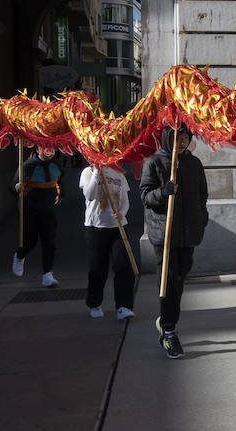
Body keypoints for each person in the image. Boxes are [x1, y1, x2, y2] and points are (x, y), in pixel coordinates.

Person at [141, 125, 208, 359]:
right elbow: (146, 197)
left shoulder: (194, 163)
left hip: (188, 233)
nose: (181, 141)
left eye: (185, 137)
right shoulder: (154, 162)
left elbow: (202, 194)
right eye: (177, 137)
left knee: (179, 280)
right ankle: (169, 330)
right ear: (167, 138)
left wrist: (201, 219)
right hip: (165, 234)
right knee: (168, 282)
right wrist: (163, 192)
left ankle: (166, 318)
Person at [80, 160, 136, 321]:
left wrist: (122, 213)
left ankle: (124, 306)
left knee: (124, 265)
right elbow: (89, 195)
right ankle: (94, 303)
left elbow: (125, 201)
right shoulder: (87, 173)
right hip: (95, 227)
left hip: (118, 227)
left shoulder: (119, 173)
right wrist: (97, 172)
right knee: (98, 267)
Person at [13, 146, 62, 288]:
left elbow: (60, 182)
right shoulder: (28, 165)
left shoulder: (56, 164)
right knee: (30, 240)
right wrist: (17, 186)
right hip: (30, 209)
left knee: (49, 242)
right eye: (45, 147)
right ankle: (20, 255)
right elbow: (15, 183)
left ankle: (47, 274)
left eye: (51, 147)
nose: (50, 151)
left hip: (48, 210)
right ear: (38, 149)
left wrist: (60, 194)